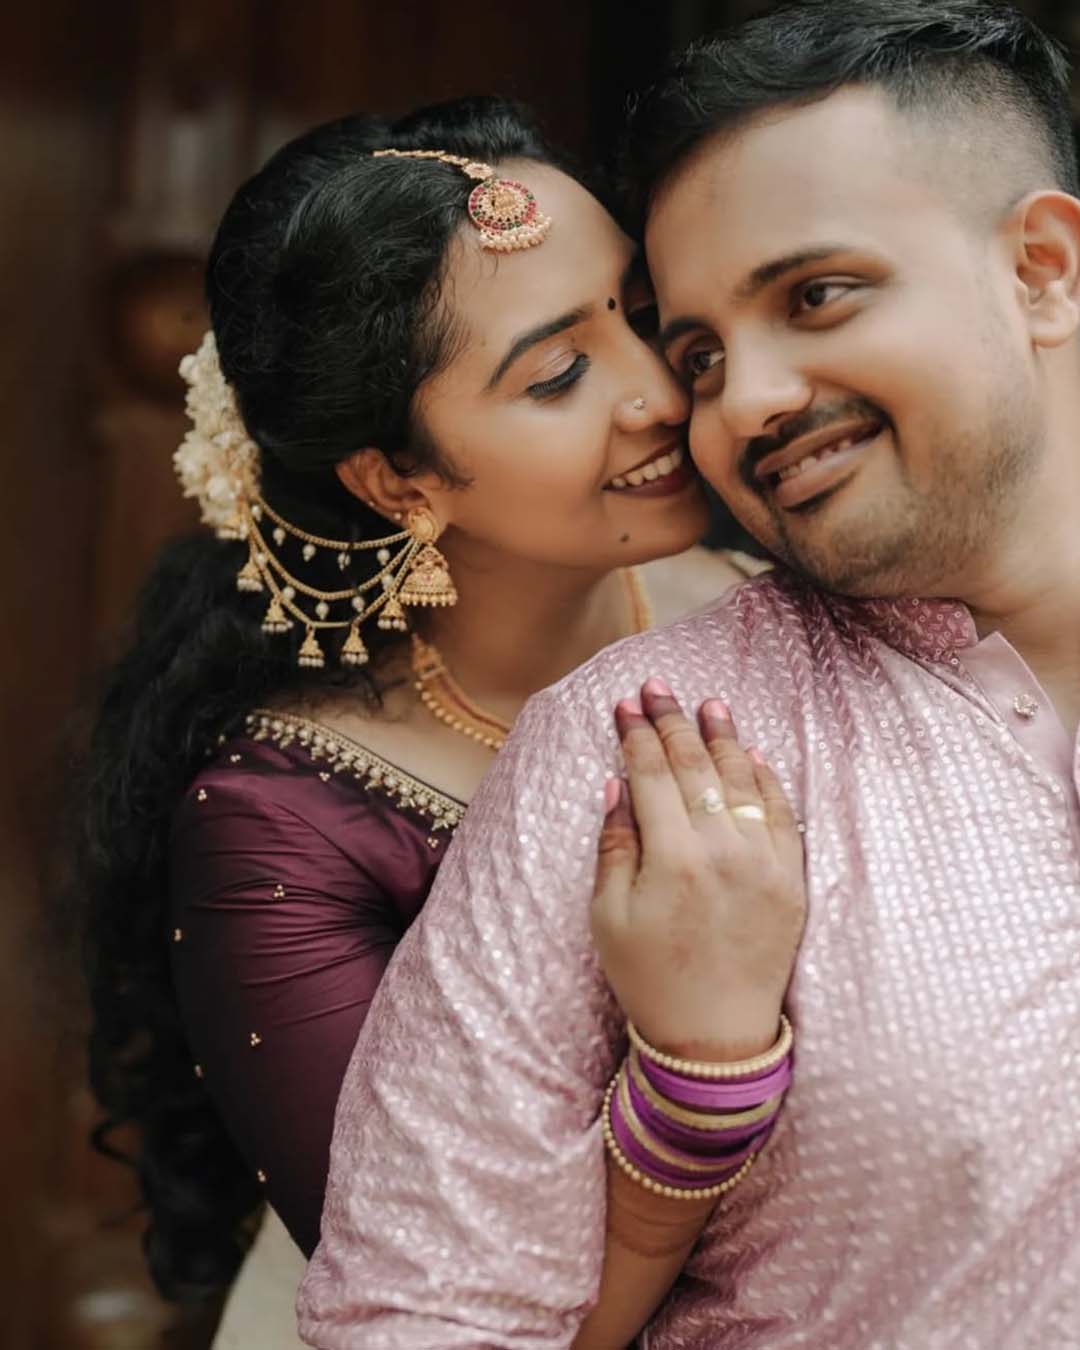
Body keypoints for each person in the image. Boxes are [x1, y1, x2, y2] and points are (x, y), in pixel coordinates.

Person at [298, 3, 1080, 1346]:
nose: (737, 403)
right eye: (702, 350)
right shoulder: (635, 752)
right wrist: (696, 1081)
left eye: (817, 295)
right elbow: (421, 1318)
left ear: (1046, 268)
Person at [79, 96, 804, 1350]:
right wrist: (697, 1082)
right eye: (561, 372)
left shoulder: (777, 613)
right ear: (398, 478)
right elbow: (438, 1300)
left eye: (635, 312)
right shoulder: (284, 824)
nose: (654, 389)